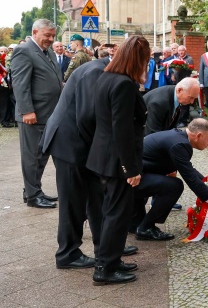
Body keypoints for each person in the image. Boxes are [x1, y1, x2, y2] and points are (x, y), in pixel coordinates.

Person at [40, 55, 139, 270]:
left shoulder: (102, 70)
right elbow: (86, 117)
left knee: (97, 197)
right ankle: (67, 253)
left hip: (81, 143)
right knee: (73, 201)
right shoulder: (95, 72)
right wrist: (100, 152)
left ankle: (106, 247)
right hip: (69, 143)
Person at [85, 35, 149, 285]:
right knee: (116, 213)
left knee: (112, 211)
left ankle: (111, 260)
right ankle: (104, 269)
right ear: (137, 59)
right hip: (117, 160)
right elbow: (121, 129)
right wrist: (129, 168)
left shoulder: (107, 77)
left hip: (104, 155)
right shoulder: (123, 84)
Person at [130, 119, 208, 240]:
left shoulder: (179, 137)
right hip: (131, 180)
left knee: (167, 183)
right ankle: (145, 228)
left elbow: (189, 169)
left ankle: (135, 223)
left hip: (136, 175)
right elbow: (191, 179)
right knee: (174, 186)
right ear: (199, 136)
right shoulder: (180, 144)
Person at [11, 19, 62, 208]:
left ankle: (33, 190)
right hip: (33, 115)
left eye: (53, 36)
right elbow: (20, 84)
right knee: (32, 156)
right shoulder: (23, 51)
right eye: (47, 35)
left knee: (41, 156)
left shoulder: (48, 51)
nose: (50, 39)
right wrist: (27, 111)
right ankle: (33, 197)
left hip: (49, 114)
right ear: (35, 32)